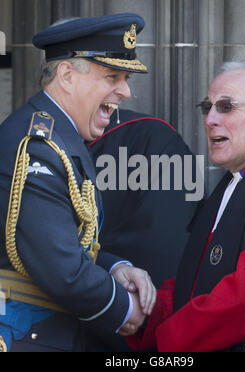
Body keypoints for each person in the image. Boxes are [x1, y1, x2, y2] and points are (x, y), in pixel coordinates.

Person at [0, 14, 156, 352]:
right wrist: (124, 308)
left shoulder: (59, 137)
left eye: (126, 78)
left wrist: (113, 268)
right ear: (67, 76)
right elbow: (60, 267)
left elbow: (61, 239)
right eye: (112, 76)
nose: (125, 91)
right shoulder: (38, 146)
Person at [126, 61, 245, 352]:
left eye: (227, 107)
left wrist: (163, 339)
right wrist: (142, 311)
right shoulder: (231, 184)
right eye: (207, 107)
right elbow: (192, 282)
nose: (209, 120)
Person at [88, 109, 199, 350]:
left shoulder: (150, 135)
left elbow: (166, 240)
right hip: (131, 313)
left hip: (138, 315)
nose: (124, 90)